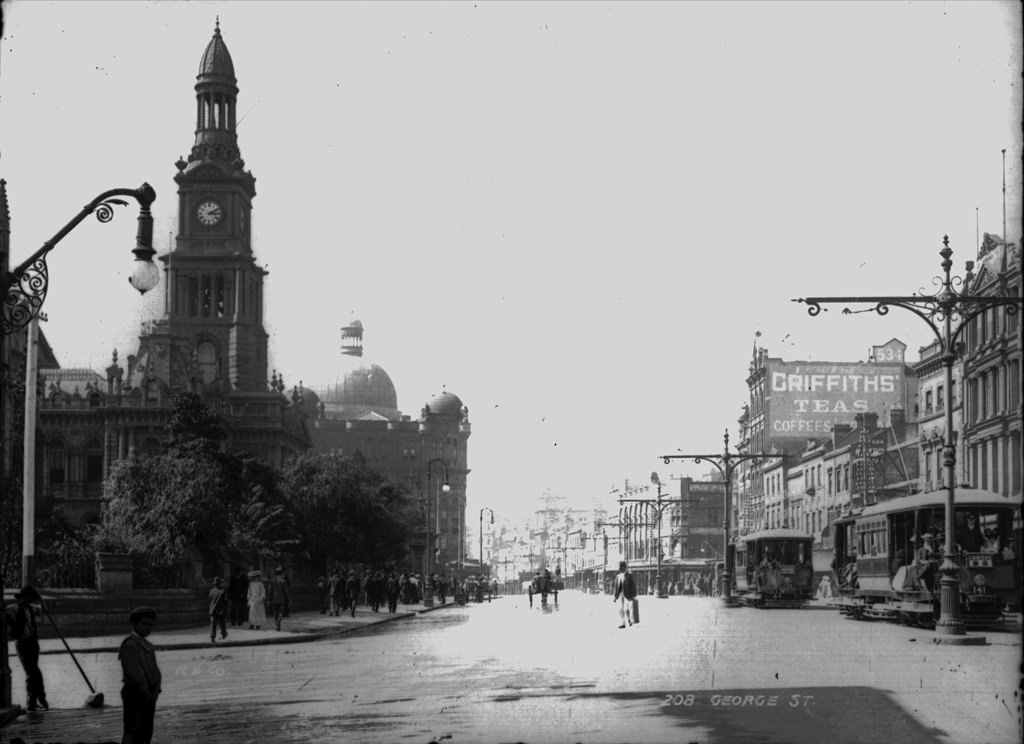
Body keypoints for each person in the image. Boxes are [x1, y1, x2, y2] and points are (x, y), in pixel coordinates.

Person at [119, 606, 162, 744]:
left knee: (146, 730)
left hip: (148, 693)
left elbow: (155, 670)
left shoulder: (148, 645)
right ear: (135, 624)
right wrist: (145, 690)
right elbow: (134, 671)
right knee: (132, 729)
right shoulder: (130, 644)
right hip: (135, 692)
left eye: (150, 625)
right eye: (144, 624)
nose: (147, 628)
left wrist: (156, 688)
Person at [6, 585, 48, 711]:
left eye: (30, 598)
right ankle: (39, 698)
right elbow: (4, 613)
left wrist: (39, 598)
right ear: (21, 598)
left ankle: (33, 702)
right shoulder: (13, 608)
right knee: (33, 672)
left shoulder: (31, 609)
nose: (28, 601)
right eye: (27, 598)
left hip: (33, 644)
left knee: (32, 674)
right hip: (22, 644)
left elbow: (44, 610)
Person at [612, 561, 637, 629]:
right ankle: (622, 623)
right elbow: (616, 587)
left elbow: (633, 586)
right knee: (620, 609)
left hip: (627, 594)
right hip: (620, 595)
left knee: (626, 609)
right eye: (619, 567)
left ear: (625, 568)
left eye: (621, 567)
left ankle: (629, 619)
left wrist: (633, 595)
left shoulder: (629, 576)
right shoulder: (618, 576)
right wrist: (615, 596)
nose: (620, 569)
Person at [268, 567, 291, 631]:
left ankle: (277, 625)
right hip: (281, 599)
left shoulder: (272, 580)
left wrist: (268, 599)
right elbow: (286, 591)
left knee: (275, 612)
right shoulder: (283, 581)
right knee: (281, 613)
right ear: (281, 573)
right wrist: (288, 599)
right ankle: (278, 623)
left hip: (274, 599)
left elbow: (269, 590)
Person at [208, 576, 228, 643]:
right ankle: (223, 634)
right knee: (222, 623)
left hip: (213, 610)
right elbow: (226, 600)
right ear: (220, 583)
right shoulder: (223, 591)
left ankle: (212, 637)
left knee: (213, 624)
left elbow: (210, 599)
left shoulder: (211, 590)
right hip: (220, 610)